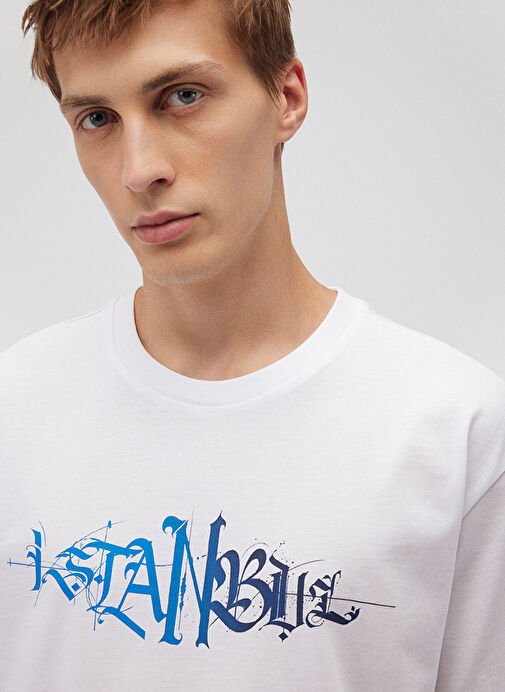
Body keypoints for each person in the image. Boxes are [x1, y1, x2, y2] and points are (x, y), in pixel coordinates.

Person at [1, 0, 504, 690]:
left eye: (182, 96)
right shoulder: (15, 410)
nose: (138, 170)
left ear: (286, 98)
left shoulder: (454, 429)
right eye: (97, 119)